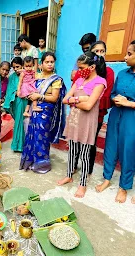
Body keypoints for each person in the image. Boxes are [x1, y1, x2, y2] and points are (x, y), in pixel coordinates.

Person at [58, 51, 106, 198]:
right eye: (78, 68)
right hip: (74, 121)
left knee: (85, 155)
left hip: (87, 123)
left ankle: (82, 184)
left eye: (81, 68)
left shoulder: (100, 82)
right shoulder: (79, 80)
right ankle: (69, 175)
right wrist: (81, 99)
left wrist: (76, 101)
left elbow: (89, 106)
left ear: (92, 67)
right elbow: (65, 99)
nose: (79, 71)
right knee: (72, 150)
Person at [96, 41, 135, 203]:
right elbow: (112, 93)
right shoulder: (122, 74)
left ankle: (124, 186)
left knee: (128, 150)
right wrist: (115, 98)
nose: (125, 57)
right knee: (110, 146)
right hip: (116, 114)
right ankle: (107, 178)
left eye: (129, 54)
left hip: (131, 118)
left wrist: (129, 103)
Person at [72, 40, 115, 175]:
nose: (100, 54)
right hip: (79, 110)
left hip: (96, 113)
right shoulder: (83, 71)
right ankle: (73, 166)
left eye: (102, 51)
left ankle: (88, 169)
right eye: (96, 51)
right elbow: (75, 89)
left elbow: (105, 95)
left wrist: (87, 102)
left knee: (90, 141)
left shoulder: (108, 72)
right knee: (76, 139)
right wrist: (79, 101)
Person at [20, 52, 66, 173]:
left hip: (45, 112)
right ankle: (31, 161)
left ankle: (42, 164)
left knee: (42, 137)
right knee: (32, 134)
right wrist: (33, 96)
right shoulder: (36, 76)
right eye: (47, 62)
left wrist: (39, 96)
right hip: (34, 109)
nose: (50, 64)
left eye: (52, 62)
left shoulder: (56, 79)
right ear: (41, 64)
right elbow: (29, 90)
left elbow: (54, 98)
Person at [3, 57, 27, 152]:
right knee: (18, 123)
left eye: (18, 66)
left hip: (25, 102)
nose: (16, 69)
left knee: (25, 123)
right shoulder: (12, 77)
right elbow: (10, 90)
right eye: (14, 67)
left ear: (22, 65)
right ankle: (17, 145)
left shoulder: (27, 75)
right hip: (16, 101)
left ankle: (24, 145)